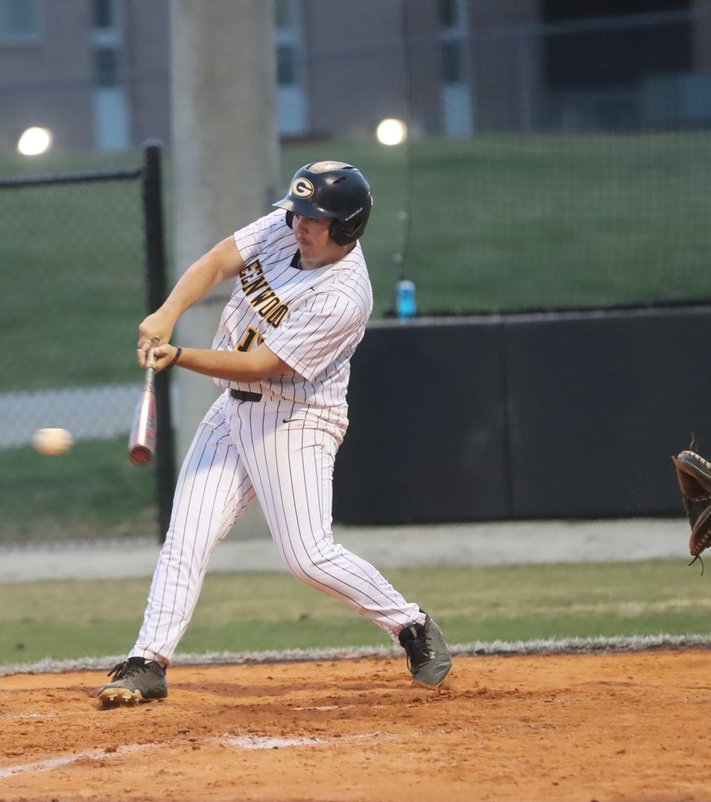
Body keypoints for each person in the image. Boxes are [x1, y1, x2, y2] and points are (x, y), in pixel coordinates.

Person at [96, 161, 452, 706]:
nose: (299, 224)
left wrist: (179, 355)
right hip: (232, 412)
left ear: (348, 227)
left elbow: (263, 364)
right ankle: (148, 661)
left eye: (315, 218)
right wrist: (167, 314)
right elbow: (219, 260)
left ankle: (409, 624)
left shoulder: (343, 296)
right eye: (298, 211)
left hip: (296, 421)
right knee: (186, 538)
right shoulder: (285, 225)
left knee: (308, 556)